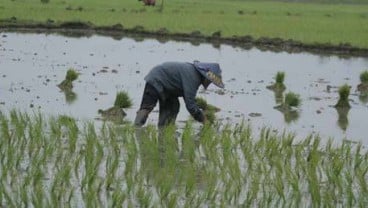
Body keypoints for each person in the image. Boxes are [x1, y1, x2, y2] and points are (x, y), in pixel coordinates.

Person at [134, 61, 224, 127]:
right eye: (210, 81)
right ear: (206, 77)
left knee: (174, 107)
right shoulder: (193, 78)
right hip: (156, 79)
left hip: (169, 89)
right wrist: (204, 121)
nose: (209, 83)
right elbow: (190, 105)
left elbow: (189, 98)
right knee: (147, 107)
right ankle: (136, 129)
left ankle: (164, 130)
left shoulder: (193, 74)